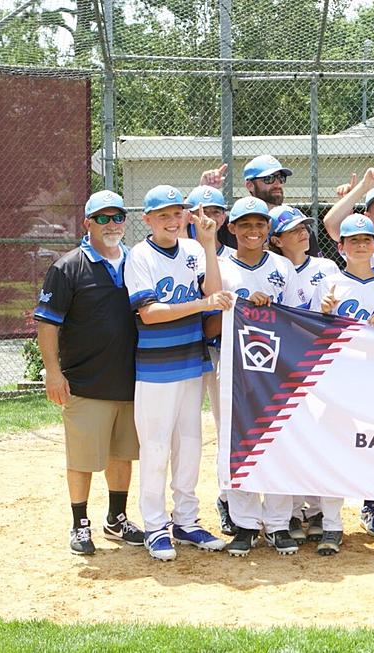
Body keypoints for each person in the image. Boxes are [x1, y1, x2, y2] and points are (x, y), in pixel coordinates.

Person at [124, 185, 234, 561]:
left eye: (177, 213)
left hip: (191, 361)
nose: (173, 221)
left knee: (189, 445)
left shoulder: (192, 250)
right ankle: (155, 525)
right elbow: (150, 314)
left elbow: (215, 293)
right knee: (155, 447)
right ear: (148, 219)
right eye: (164, 215)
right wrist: (200, 303)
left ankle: (186, 520)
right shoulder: (139, 256)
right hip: (156, 367)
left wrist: (208, 245)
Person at [34, 190, 144, 555]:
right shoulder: (68, 267)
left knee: (122, 453)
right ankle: (80, 524)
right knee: (82, 459)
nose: (111, 224)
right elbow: (47, 323)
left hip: (130, 379)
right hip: (85, 382)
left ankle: (117, 518)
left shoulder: (136, 261)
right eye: (102, 218)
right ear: (87, 223)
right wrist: (53, 372)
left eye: (117, 217)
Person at [203, 197, 310, 557]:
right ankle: (245, 522)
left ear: (269, 229)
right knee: (235, 439)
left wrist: (271, 309)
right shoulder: (219, 266)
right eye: (245, 224)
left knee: (278, 437)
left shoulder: (283, 266)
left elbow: (300, 317)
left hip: (278, 363)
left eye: (260, 224)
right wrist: (238, 306)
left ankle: (279, 523)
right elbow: (208, 325)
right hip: (232, 363)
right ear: (230, 228)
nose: (253, 231)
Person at [310, 214, 374, 550]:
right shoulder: (327, 285)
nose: (359, 245)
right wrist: (325, 316)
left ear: (373, 245)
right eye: (352, 240)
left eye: (365, 240)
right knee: (332, 448)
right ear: (340, 246)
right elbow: (311, 334)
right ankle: (330, 524)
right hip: (338, 380)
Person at [268, 205, 343, 547]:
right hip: (283, 363)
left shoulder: (326, 267)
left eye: (304, 227)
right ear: (277, 240)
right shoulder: (276, 270)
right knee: (286, 438)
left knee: (318, 436)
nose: (303, 233)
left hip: (319, 361)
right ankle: (292, 511)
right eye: (293, 230)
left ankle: (315, 511)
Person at [185, 185, 237, 538]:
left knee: (226, 428)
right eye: (201, 211)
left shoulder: (233, 257)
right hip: (183, 350)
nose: (209, 218)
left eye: (216, 211)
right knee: (184, 431)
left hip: (222, 350)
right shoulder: (179, 253)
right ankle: (183, 510)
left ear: (225, 218)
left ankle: (228, 498)